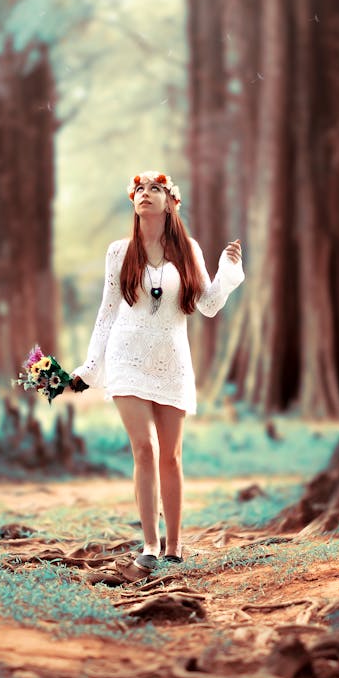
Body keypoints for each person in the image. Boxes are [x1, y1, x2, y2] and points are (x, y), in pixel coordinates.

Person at [70, 170, 244, 571]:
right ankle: (149, 544)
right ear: (133, 202)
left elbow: (209, 304)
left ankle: (174, 546)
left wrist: (228, 271)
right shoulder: (119, 252)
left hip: (172, 359)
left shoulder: (188, 251)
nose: (146, 194)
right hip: (126, 357)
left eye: (155, 189)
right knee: (144, 449)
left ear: (171, 202)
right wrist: (91, 368)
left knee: (172, 456)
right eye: (140, 190)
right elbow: (107, 312)